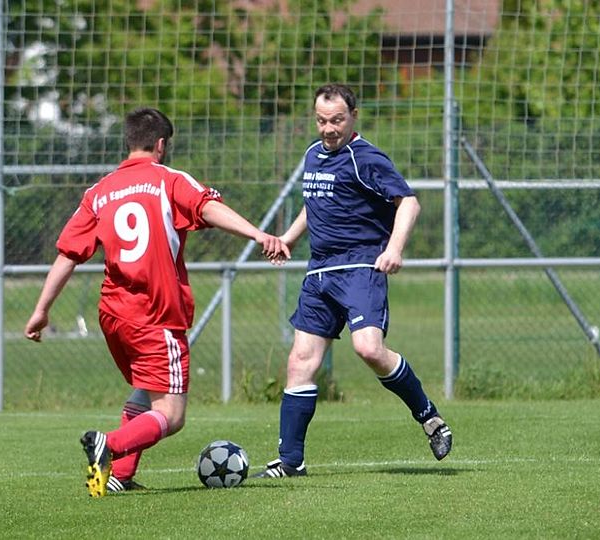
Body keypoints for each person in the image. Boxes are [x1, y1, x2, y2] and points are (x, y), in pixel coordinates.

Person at [24, 107, 289, 497]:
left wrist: (41, 310)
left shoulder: (99, 192)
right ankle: (110, 445)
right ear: (161, 144)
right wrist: (257, 234)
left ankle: (120, 476)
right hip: (156, 314)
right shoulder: (169, 180)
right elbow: (207, 207)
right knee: (172, 413)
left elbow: (68, 255)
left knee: (146, 391)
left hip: (114, 315)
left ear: (129, 141)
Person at [253, 84, 452, 479]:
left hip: (360, 267)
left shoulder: (366, 158)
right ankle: (291, 462)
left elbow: (409, 202)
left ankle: (429, 417)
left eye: (337, 120)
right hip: (320, 271)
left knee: (369, 349)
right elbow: (315, 203)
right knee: (300, 362)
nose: (328, 129)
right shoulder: (313, 154)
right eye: (321, 120)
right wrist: (289, 239)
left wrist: (394, 249)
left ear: (353, 117)